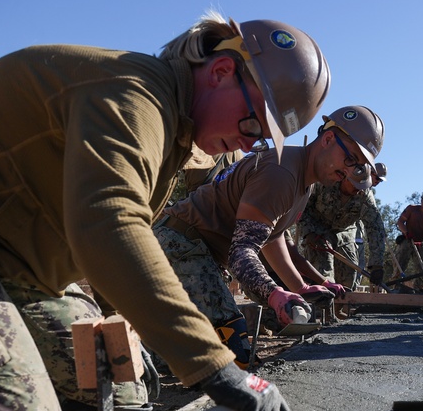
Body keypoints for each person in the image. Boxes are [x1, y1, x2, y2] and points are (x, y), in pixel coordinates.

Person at [0, 14, 331, 411]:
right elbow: (110, 222)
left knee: (118, 401)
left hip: (10, 265)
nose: (249, 142)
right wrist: (216, 368)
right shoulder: (135, 95)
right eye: (252, 121)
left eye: (261, 136)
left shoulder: (175, 130)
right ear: (221, 72)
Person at [155, 105, 384, 364]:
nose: (350, 171)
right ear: (329, 139)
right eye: (351, 159)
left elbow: (272, 238)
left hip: (196, 251)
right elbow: (242, 250)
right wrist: (275, 294)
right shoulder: (282, 173)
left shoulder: (302, 183)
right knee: (229, 344)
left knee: (197, 349)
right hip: (179, 243)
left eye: (359, 167)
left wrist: (301, 287)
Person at [299, 160, 387, 291]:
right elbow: (302, 208)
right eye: (355, 186)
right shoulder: (325, 182)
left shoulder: (365, 196)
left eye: (361, 187)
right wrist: (309, 232)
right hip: (318, 230)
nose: (358, 191)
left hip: (345, 232)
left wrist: (377, 265)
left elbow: (375, 228)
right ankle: (321, 308)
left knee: (349, 276)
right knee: (323, 273)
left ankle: (341, 309)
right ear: (345, 177)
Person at [394, 190, 423, 288]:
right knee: (399, 264)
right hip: (407, 239)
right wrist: (406, 233)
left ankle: (417, 289)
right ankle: (396, 286)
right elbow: (400, 222)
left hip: (421, 242)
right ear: (421, 199)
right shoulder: (411, 209)